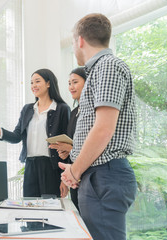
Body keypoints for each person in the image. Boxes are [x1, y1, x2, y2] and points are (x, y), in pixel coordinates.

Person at [59, 13, 137, 240]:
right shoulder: (98, 70)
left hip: (104, 175)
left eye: (73, 42)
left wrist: (74, 170)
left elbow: (104, 129)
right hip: (97, 175)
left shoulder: (108, 67)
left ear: (80, 40)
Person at [0, 69, 70, 198]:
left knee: (51, 209)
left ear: (49, 83)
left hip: (52, 168)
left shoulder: (61, 109)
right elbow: (17, 136)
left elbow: (67, 144)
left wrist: (64, 178)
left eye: (37, 81)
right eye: (31, 82)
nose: (33, 85)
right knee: (30, 207)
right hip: (30, 165)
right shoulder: (27, 109)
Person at [49, 67, 86, 212]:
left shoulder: (95, 112)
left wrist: (71, 149)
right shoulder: (74, 112)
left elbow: (95, 146)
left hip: (89, 175)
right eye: (69, 83)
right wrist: (66, 152)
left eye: (75, 82)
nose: (71, 87)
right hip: (75, 176)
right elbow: (75, 143)